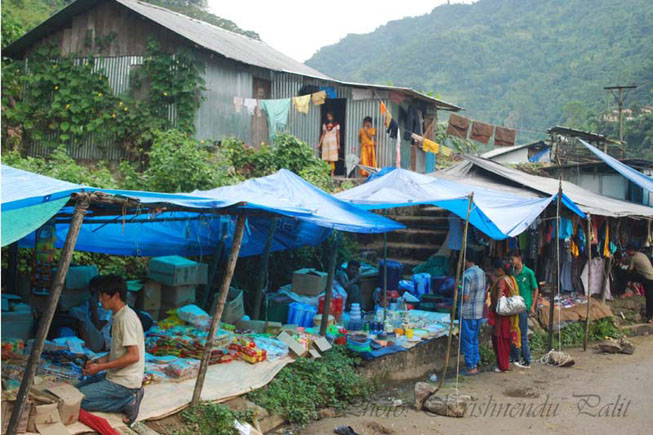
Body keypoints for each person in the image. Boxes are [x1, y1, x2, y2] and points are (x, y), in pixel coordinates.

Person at [78, 275, 145, 426]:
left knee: (77, 401)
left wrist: (100, 368)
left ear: (116, 295)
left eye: (103, 295)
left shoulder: (126, 319)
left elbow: (134, 356)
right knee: (74, 391)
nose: (100, 299)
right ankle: (126, 399)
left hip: (124, 383)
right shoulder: (118, 316)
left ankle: (128, 401)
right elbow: (118, 353)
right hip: (114, 376)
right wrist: (96, 361)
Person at [488, 259, 521, 373]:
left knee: (500, 339)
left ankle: (502, 365)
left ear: (499, 270)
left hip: (501, 316)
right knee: (506, 340)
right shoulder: (511, 279)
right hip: (509, 315)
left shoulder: (501, 281)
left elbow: (499, 296)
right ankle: (505, 363)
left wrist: (491, 308)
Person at [68, 275, 113, 353]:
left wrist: (94, 309)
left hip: (101, 342)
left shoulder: (107, 306)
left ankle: (87, 347)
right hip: (86, 337)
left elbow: (98, 327)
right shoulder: (86, 303)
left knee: (76, 311)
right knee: (75, 312)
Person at [509, 249, 538, 368]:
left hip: (524, 306)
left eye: (512, 259)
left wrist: (532, 306)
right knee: (513, 331)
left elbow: (535, 289)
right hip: (513, 306)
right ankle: (515, 357)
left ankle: (526, 359)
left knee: (523, 333)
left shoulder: (528, 272)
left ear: (519, 258)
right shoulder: (512, 273)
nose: (511, 262)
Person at [460, 252, 486, 376]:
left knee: (467, 341)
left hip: (468, 313)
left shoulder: (467, 276)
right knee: (474, 340)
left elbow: (465, 296)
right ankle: (475, 363)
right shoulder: (481, 273)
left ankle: (470, 367)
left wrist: (457, 292)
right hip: (479, 312)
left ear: (466, 260)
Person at [624, 242, 653, 323]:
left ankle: (623, 290)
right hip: (651, 277)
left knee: (626, 275)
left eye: (627, 251)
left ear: (630, 251)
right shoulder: (642, 254)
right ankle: (650, 317)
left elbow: (629, 269)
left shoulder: (633, 258)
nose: (627, 253)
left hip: (646, 278)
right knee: (650, 297)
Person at [318, 112, 340, 176]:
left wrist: (338, 144)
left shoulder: (336, 124)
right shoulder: (325, 124)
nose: (329, 118)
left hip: (333, 143)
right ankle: (325, 173)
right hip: (325, 143)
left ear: (333, 117)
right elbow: (323, 134)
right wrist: (320, 143)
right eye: (328, 117)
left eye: (330, 116)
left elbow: (338, 134)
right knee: (325, 159)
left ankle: (332, 172)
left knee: (332, 159)